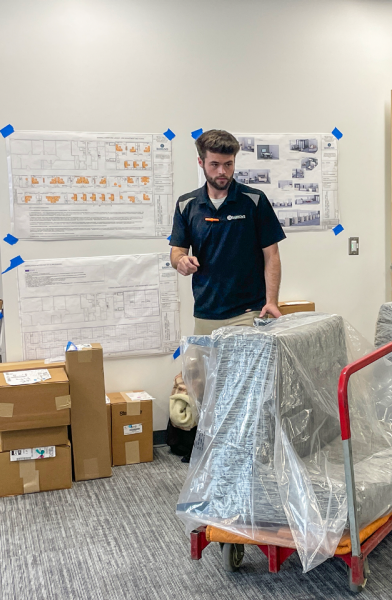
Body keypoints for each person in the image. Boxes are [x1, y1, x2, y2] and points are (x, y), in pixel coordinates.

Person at [166, 129, 286, 460]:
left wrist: (271, 300)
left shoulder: (254, 201)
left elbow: (271, 255)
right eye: (216, 165)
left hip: (248, 310)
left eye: (229, 165)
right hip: (206, 311)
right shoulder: (187, 204)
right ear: (201, 162)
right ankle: (212, 453)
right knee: (204, 389)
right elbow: (175, 251)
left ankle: (249, 454)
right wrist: (182, 262)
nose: (223, 172)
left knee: (246, 387)